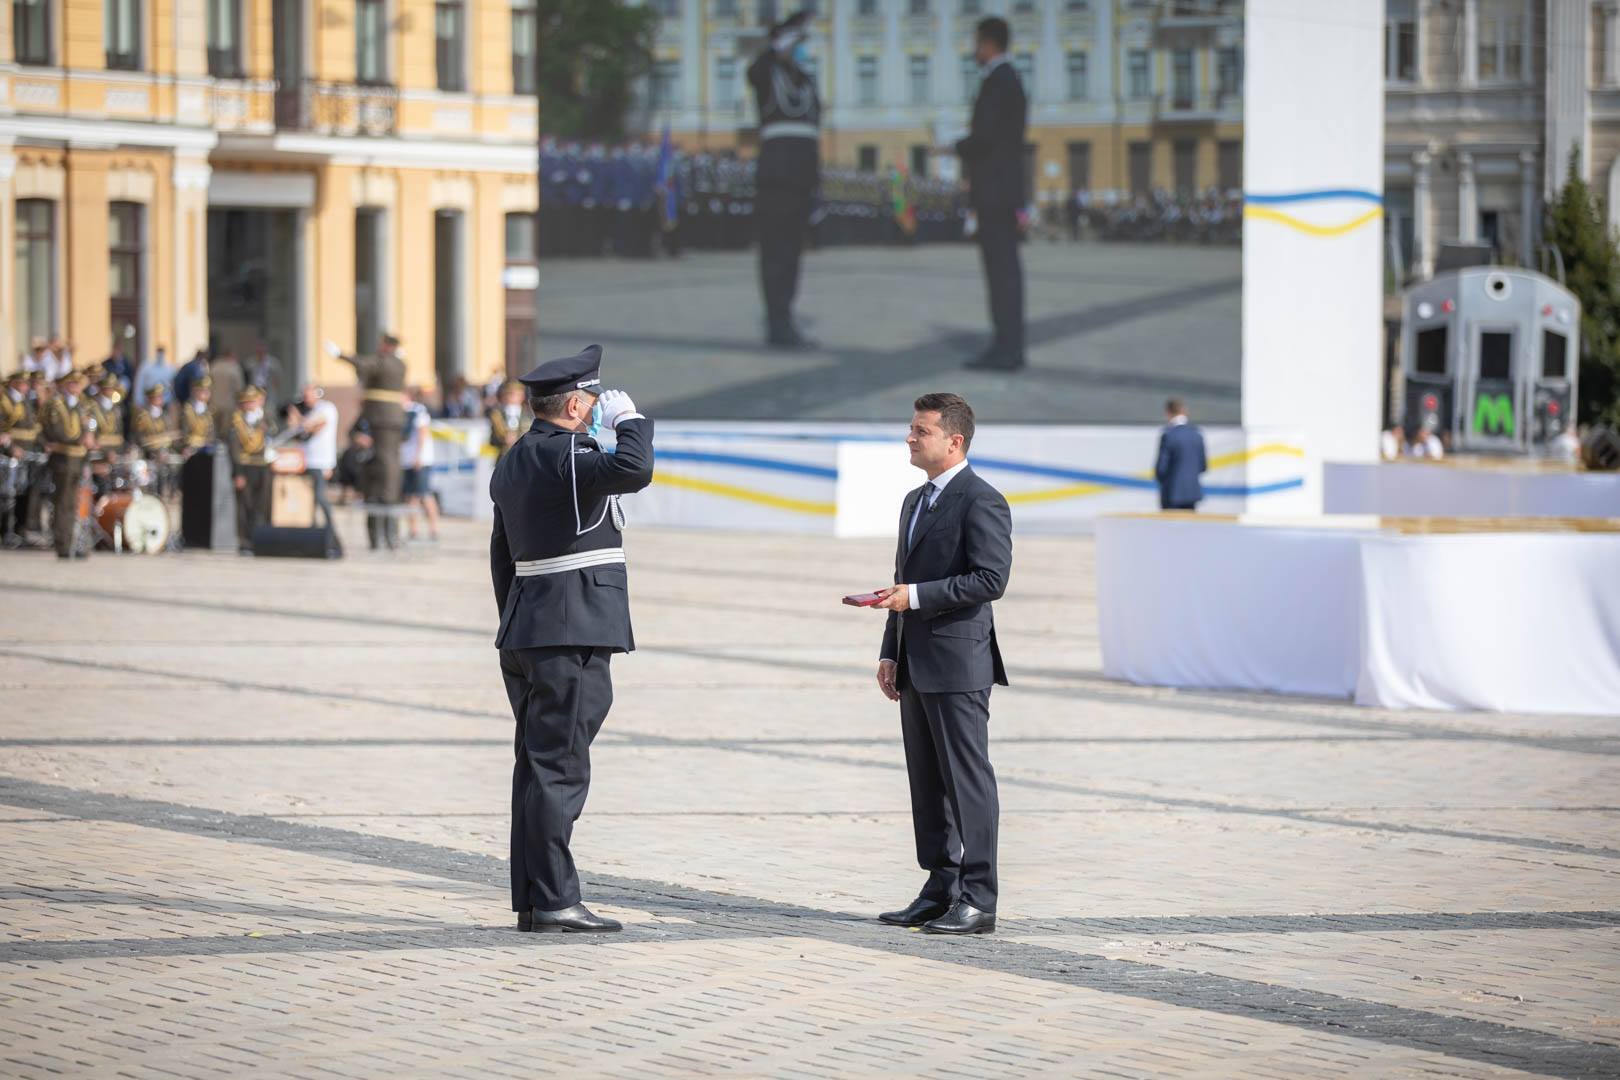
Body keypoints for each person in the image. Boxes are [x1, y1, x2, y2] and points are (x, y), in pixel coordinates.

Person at [490, 344, 654, 933]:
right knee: (559, 769)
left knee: (537, 768)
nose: (596, 407)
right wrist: (630, 421)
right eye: (593, 400)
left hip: (530, 626)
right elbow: (635, 469)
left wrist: (517, 619)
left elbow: (501, 555)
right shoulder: (567, 453)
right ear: (578, 405)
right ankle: (556, 900)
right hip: (570, 628)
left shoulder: (514, 458)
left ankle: (536, 901)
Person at [868, 392, 1011, 936]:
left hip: (958, 662)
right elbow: (902, 581)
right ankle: (939, 886)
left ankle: (979, 898)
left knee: (967, 782)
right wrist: (890, 649)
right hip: (915, 660)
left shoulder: (982, 500)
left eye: (920, 430)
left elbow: (990, 579)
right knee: (926, 783)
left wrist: (918, 597)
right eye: (911, 428)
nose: (909, 437)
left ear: (954, 441)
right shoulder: (914, 500)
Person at [956, 17, 1028, 371]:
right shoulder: (1010, 79)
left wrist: (955, 146)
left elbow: (985, 136)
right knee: (1005, 272)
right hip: (1003, 189)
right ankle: (1008, 345)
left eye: (977, 43)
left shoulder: (997, 81)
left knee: (1001, 274)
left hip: (994, 191)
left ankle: (1006, 349)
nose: (975, 50)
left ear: (988, 43)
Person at [749, 9, 821, 349]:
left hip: (802, 177)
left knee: (792, 254)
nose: (799, 47)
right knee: (775, 252)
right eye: (795, 41)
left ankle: (786, 317)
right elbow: (754, 71)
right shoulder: (768, 75)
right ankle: (776, 321)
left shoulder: (805, 81)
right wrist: (775, 46)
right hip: (776, 177)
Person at [332, 333, 406, 550]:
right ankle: (377, 537)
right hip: (373, 450)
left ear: (387, 346)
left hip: (385, 418)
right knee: (378, 477)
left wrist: (340, 355)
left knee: (388, 468)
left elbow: (365, 364)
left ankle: (390, 534)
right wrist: (358, 437)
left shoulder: (389, 363)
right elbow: (352, 431)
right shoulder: (367, 414)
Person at [40, 369, 96, 559]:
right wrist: (81, 438)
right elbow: (56, 432)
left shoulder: (81, 406)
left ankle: (73, 542)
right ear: (65, 385)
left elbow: (87, 428)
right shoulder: (56, 405)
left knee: (74, 503)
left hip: (78, 459)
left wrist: (88, 437)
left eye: (77, 384)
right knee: (63, 502)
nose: (75, 387)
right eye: (72, 384)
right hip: (63, 459)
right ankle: (62, 544)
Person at [287, 384, 341, 551]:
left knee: (320, 497)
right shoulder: (308, 411)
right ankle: (310, 528)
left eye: (308, 394)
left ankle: (331, 530)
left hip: (320, 461)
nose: (306, 398)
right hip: (305, 460)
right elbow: (296, 432)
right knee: (306, 498)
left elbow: (313, 426)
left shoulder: (326, 408)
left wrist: (297, 416)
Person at [226, 386, 273, 553]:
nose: (251, 405)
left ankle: (261, 539)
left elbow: (273, 435)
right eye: (247, 402)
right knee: (245, 506)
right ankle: (245, 541)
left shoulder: (265, 419)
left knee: (263, 504)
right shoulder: (237, 422)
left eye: (253, 401)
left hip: (263, 466)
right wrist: (238, 473)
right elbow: (234, 450)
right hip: (245, 467)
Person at [400, 386, 439, 543]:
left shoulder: (417, 410)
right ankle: (413, 530)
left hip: (420, 460)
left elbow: (423, 433)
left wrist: (418, 456)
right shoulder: (399, 412)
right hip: (406, 460)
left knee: (425, 494)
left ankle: (434, 529)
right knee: (410, 497)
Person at [1154, 398, 1207, 511]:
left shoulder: (1168, 435)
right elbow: (1203, 466)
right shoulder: (1196, 434)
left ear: (1168, 412)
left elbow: (1161, 469)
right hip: (1192, 492)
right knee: (1190, 522)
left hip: (1172, 493)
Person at [487, 381, 529, 458]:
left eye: (517, 394)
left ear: (522, 396)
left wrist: (518, 438)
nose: (513, 397)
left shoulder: (528, 415)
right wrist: (503, 439)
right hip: (504, 457)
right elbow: (492, 441)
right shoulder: (497, 415)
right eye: (510, 394)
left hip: (522, 457)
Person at [132, 383, 175, 458]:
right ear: (150, 399)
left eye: (160, 397)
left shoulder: (164, 415)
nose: (160, 399)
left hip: (164, 450)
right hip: (149, 452)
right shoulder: (143, 416)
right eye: (156, 397)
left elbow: (168, 433)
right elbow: (140, 437)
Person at [209, 349, 245, 432]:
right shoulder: (235, 367)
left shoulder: (215, 366)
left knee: (215, 428)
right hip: (229, 404)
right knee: (226, 430)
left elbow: (209, 384)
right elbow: (239, 387)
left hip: (214, 403)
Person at [178, 377, 215, 454]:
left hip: (206, 446)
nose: (207, 394)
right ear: (195, 392)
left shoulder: (210, 409)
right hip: (191, 446)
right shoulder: (188, 410)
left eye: (207, 391)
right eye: (203, 391)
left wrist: (208, 441)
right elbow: (184, 432)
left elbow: (211, 432)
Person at [245, 341, 282, 409]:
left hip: (268, 390)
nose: (260, 354)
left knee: (269, 409)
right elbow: (246, 377)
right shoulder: (250, 363)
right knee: (256, 409)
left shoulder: (272, 363)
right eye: (258, 351)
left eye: (262, 351)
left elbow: (277, 378)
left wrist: (275, 387)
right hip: (255, 390)